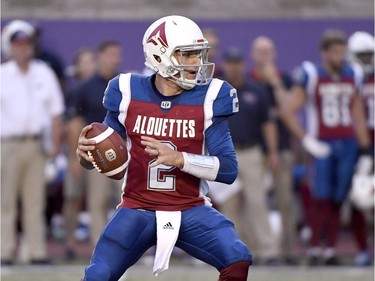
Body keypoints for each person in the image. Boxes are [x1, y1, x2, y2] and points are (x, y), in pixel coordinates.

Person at [76, 15, 252, 281]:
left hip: (190, 208)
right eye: (188, 55)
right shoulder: (127, 91)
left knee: (237, 259)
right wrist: (88, 155)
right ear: (159, 56)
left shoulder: (211, 97)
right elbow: (105, 152)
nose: (197, 63)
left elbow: (228, 169)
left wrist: (180, 159)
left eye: (199, 54)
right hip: (137, 208)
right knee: (98, 275)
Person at [275, 29, 371, 265]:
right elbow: (286, 110)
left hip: (347, 143)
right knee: (321, 197)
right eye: (335, 52)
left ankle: (329, 249)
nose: (340, 57)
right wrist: (307, 139)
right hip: (323, 142)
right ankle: (316, 248)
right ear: (324, 53)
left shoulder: (354, 75)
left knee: (339, 198)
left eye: (342, 51)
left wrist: (365, 149)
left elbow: (358, 114)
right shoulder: (312, 74)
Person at [0, 20, 65, 265]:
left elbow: (56, 112)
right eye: (18, 45)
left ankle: (36, 251)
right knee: (5, 201)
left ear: (31, 47)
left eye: (26, 45)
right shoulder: (2, 75)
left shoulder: (44, 72)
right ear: (10, 48)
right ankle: (4, 250)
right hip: (7, 145)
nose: (23, 50)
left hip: (36, 144)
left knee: (35, 201)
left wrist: (55, 147)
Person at [217, 47, 280, 265]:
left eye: (237, 62)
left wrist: (272, 152)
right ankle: (235, 251)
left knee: (257, 201)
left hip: (251, 151)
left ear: (243, 64)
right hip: (224, 153)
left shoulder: (257, 90)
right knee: (229, 204)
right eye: (230, 62)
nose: (234, 67)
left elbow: (268, 124)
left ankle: (268, 250)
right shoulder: (216, 90)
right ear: (224, 65)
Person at [63, 41, 122, 259]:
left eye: (117, 54)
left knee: (127, 201)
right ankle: (100, 248)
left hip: (124, 150)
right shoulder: (85, 88)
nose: (114, 59)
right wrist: (74, 156)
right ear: (100, 56)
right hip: (97, 152)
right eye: (110, 54)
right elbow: (76, 124)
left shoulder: (125, 84)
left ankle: (127, 247)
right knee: (96, 202)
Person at [249, 36, 298, 265]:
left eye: (268, 51)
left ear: (275, 54)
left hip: (283, 147)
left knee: (285, 199)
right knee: (255, 201)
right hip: (256, 148)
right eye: (260, 51)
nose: (264, 56)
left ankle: (288, 251)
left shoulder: (285, 79)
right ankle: (259, 250)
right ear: (253, 55)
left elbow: (289, 109)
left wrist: (275, 83)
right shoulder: (249, 80)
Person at [347, 31, 374, 266]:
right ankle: (363, 248)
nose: (366, 60)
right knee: (359, 199)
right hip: (358, 145)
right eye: (361, 55)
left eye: (369, 55)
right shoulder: (350, 79)